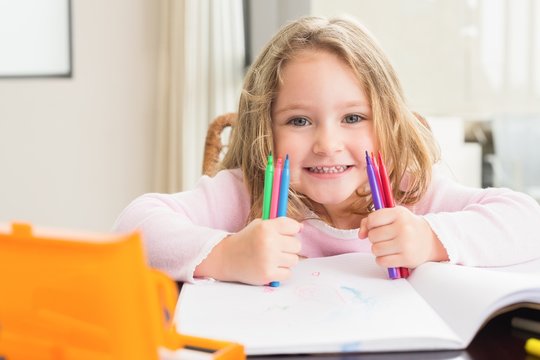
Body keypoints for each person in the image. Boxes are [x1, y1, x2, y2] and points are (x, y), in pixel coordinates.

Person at [113, 16, 540, 285]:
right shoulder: (248, 193)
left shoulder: (409, 192)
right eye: (299, 121)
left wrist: (429, 239)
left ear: (387, 122)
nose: (327, 144)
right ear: (267, 129)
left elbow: (528, 220)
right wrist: (226, 255)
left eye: (353, 118)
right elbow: (132, 229)